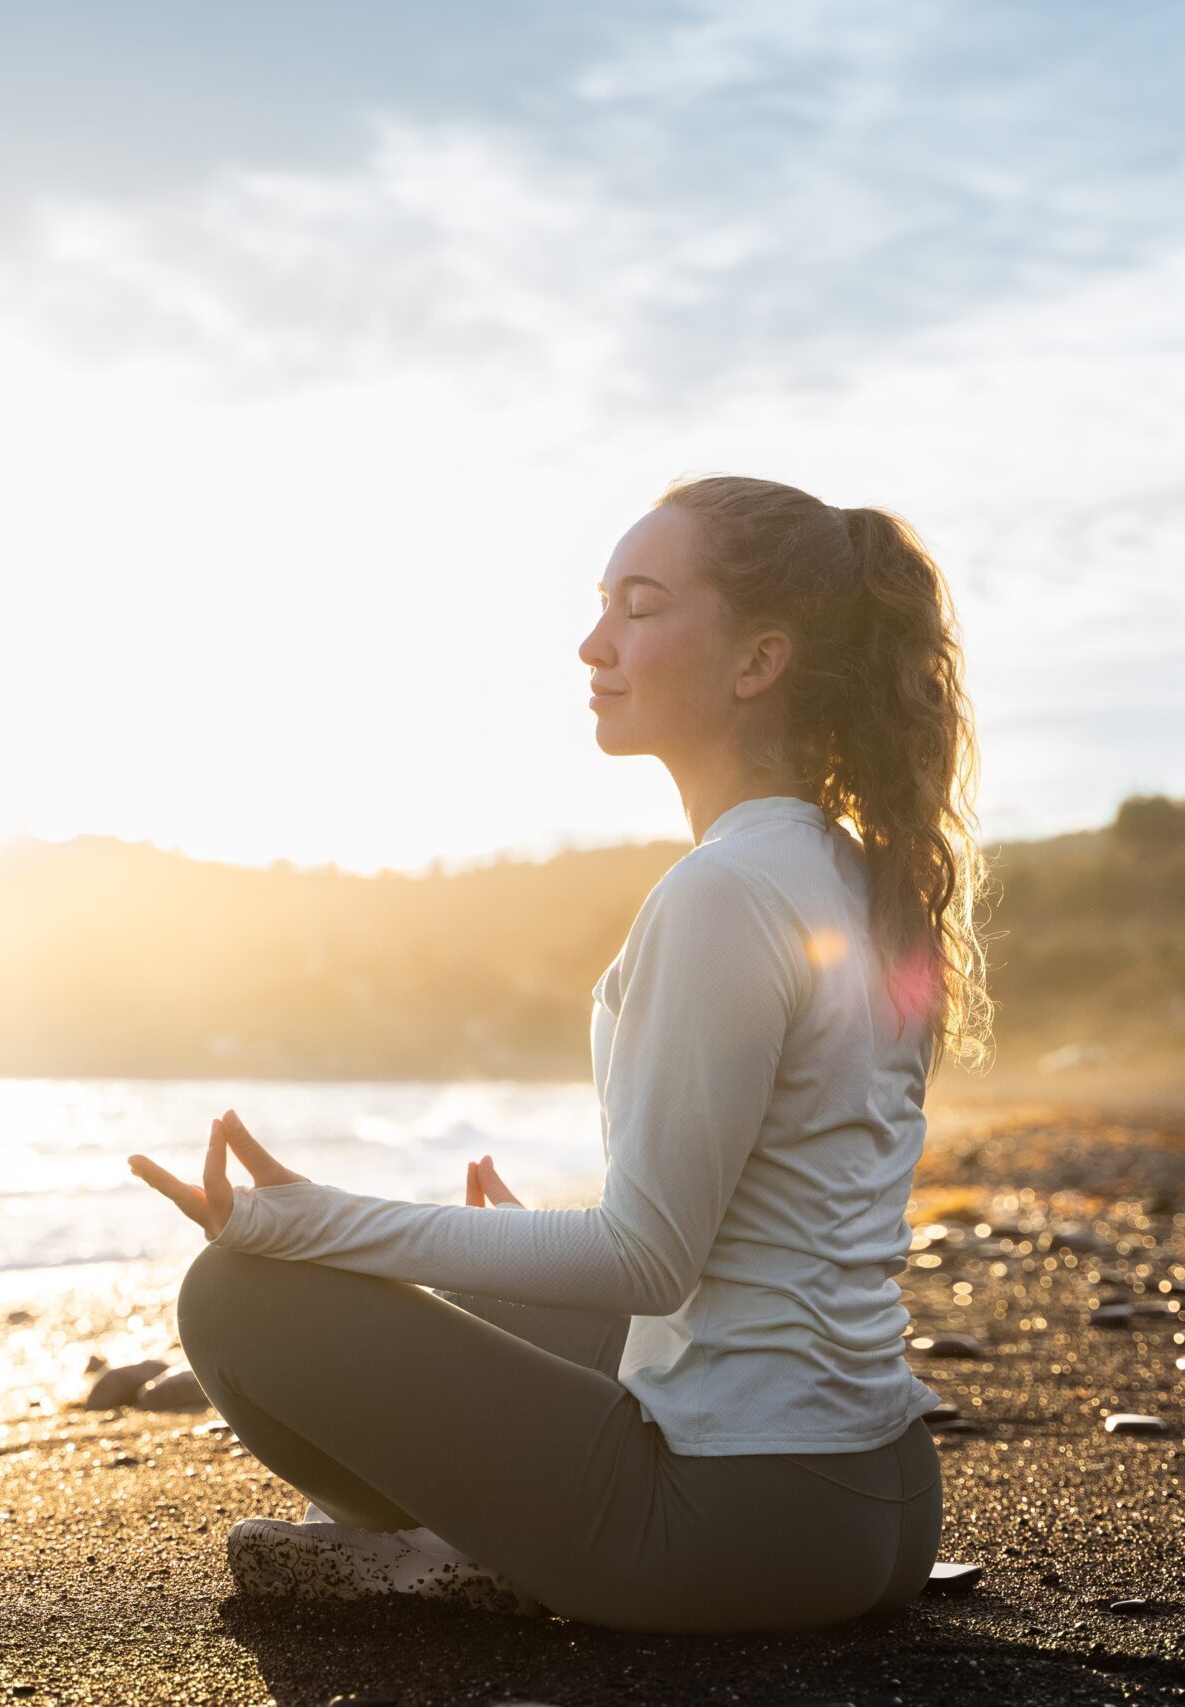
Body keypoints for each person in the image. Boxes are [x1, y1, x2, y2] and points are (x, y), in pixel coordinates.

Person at [127, 473, 995, 1634]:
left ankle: (450, 1554)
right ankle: (480, 1534)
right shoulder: (852, 873)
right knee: (500, 1308)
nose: (595, 643)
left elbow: (647, 1263)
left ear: (757, 663)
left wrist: (312, 1219)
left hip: (737, 1528)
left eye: (639, 607)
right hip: (880, 1501)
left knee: (237, 1296)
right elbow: (764, 1210)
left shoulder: (725, 891)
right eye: (602, 604)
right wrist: (499, 1246)